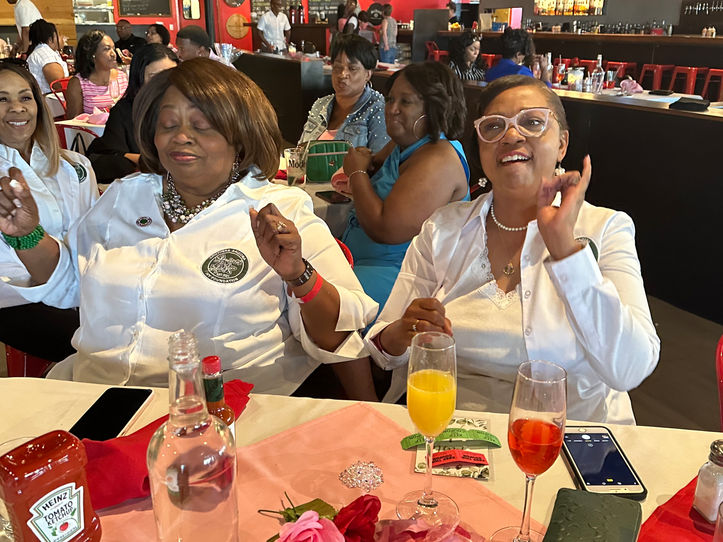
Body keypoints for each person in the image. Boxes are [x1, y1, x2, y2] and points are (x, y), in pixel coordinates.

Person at [0, 58, 377, 397]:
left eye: (202, 125)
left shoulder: (279, 209)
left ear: (241, 135)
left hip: (226, 405)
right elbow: (70, 282)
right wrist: (26, 234)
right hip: (96, 393)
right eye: (168, 124)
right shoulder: (123, 196)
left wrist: (298, 275)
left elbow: (339, 334)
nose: (181, 137)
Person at [365, 75, 660, 424]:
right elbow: (384, 348)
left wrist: (566, 251)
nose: (511, 136)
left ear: (562, 144)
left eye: (532, 122)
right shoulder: (443, 228)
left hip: (567, 435)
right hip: (451, 427)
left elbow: (630, 368)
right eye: (493, 126)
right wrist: (403, 331)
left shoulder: (606, 228)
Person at [338, 62, 470, 311]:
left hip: (402, 278)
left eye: (405, 102)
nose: (392, 109)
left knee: (312, 300)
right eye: (390, 99)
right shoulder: (406, 143)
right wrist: (365, 167)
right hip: (364, 262)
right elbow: (374, 165)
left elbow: (385, 229)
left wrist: (356, 173)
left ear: (434, 108)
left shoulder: (439, 159)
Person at [0, 61, 98, 362]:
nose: (17, 108)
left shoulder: (75, 166)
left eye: (25, 97)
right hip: (16, 298)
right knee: (98, 348)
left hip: (85, 285)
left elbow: (96, 234)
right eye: (2, 99)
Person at [87, 44, 178, 183]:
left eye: (171, 76)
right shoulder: (125, 111)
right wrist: (145, 161)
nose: (164, 84)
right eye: (154, 77)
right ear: (139, 78)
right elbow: (110, 157)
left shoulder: (190, 108)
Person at [299, 34, 388, 152]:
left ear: (368, 74)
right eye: (337, 67)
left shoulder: (378, 109)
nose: (342, 74)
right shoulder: (321, 105)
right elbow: (300, 152)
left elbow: (381, 160)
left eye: (352, 68)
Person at [65, 30, 129, 118]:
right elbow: (74, 121)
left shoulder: (122, 77)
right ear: (92, 54)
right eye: (107, 49)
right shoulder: (78, 83)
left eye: (113, 49)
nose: (113, 54)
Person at [485, 28, 551, 87]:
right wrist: (544, 68)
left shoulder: (490, 72)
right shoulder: (522, 73)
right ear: (518, 54)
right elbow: (544, 92)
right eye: (524, 55)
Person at [26, 19, 68, 95]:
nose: (62, 38)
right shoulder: (45, 53)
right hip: (50, 99)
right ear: (50, 39)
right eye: (59, 35)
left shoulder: (43, 51)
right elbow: (58, 84)